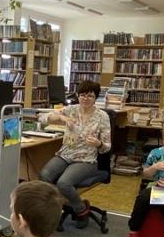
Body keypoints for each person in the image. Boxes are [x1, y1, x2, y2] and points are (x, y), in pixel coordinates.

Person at [38, 80, 111, 226]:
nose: (85, 98)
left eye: (90, 96)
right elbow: (42, 118)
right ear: (77, 96)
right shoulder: (71, 110)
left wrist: (98, 144)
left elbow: (107, 147)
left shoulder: (102, 116)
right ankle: (56, 208)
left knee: (64, 183)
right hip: (65, 154)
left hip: (86, 159)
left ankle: (81, 210)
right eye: (82, 95)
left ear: (96, 98)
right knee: (44, 176)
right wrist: (61, 117)